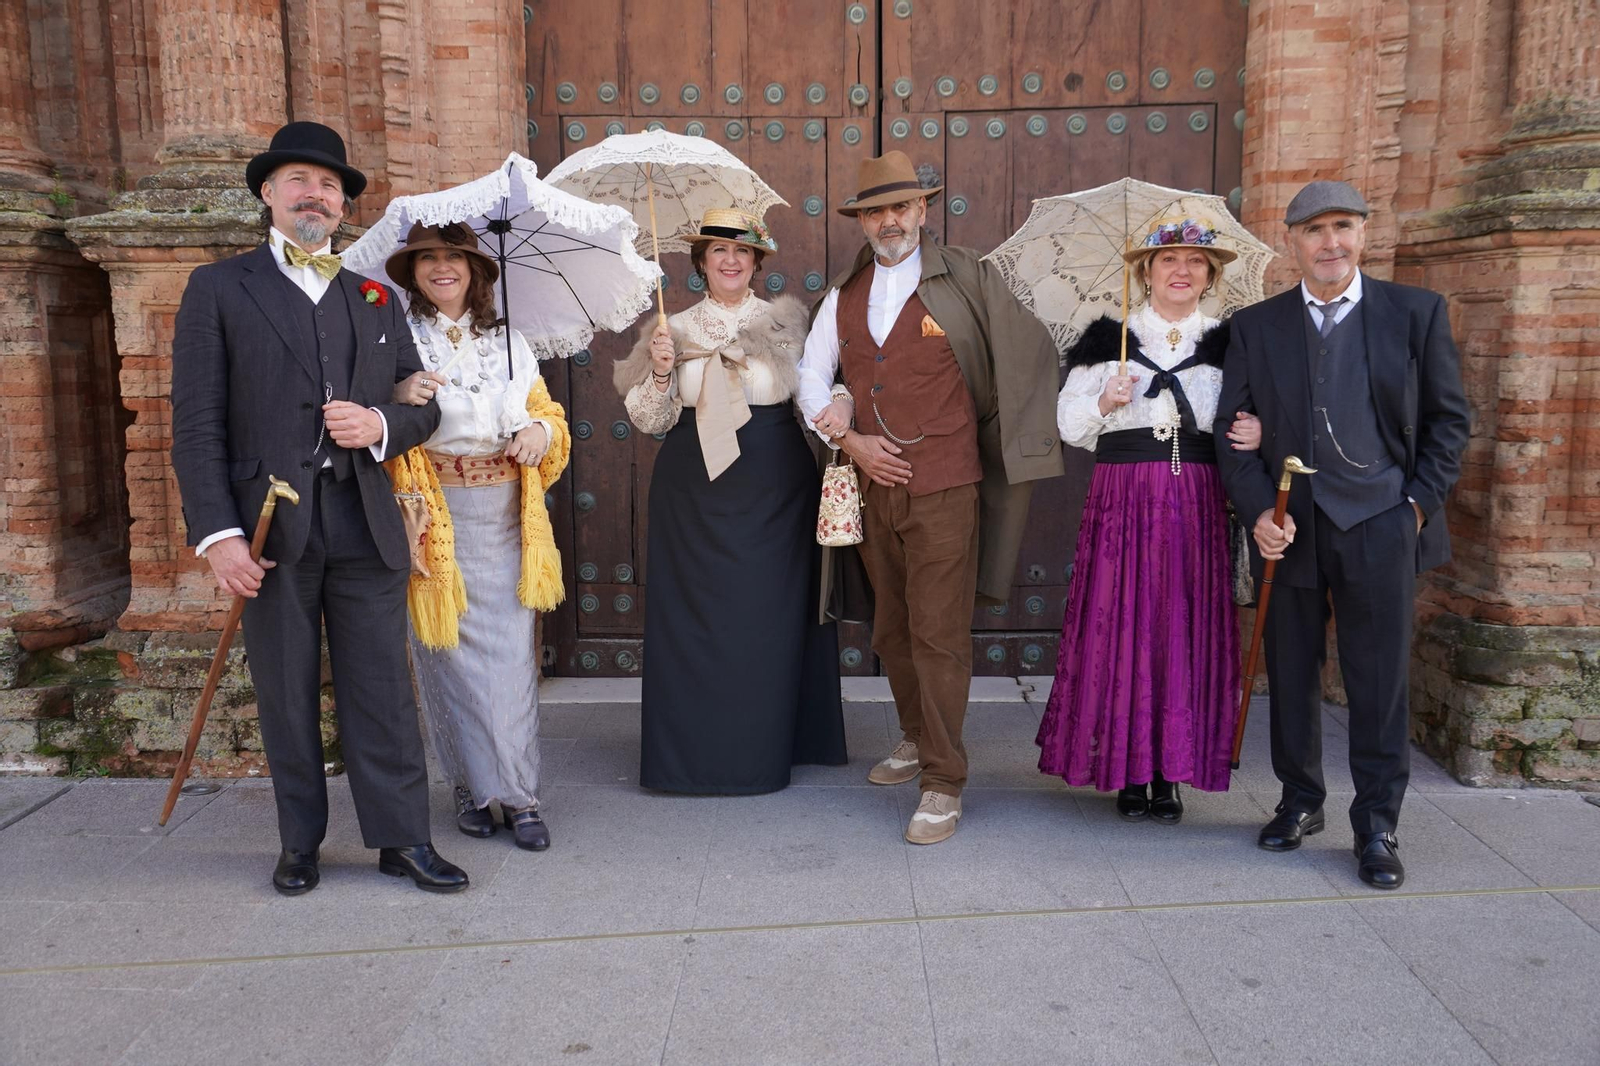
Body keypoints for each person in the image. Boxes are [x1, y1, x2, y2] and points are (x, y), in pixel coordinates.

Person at [170, 121, 468, 895]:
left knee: (384, 693)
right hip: (271, 532)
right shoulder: (219, 287)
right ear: (268, 193)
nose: (318, 194)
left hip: (364, 522)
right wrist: (220, 538)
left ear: (343, 207)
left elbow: (421, 409)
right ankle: (299, 843)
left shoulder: (373, 296)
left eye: (331, 186)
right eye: (301, 180)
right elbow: (197, 424)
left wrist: (380, 427)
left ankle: (403, 840)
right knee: (286, 691)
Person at [797, 151, 1064, 845]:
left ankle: (943, 781)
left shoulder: (968, 278)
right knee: (892, 629)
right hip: (870, 487)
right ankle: (916, 737)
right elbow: (810, 377)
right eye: (875, 211)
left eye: (901, 207)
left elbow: (1025, 353)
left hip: (946, 485)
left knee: (939, 635)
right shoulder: (843, 295)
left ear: (922, 211)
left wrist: (990, 432)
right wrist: (849, 439)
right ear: (862, 221)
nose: (889, 221)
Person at [1215, 180, 1469, 889]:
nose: (1331, 242)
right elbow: (1232, 435)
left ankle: (1378, 823)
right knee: (1290, 672)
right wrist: (1260, 512)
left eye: (1344, 227)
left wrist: (1415, 507)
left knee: (1378, 680)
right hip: (1292, 528)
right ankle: (1300, 801)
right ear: (1292, 240)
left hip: (1380, 523)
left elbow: (1449, 422)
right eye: (1315, 229)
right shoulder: (1256, 326)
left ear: (1363, 234)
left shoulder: (1414, 313)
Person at [1036, 218, 1262, 822]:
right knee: (1124, 624)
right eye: (1167, 261)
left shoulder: (1232, 340)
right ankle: (1128, 771)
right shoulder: (1108, 339)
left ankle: (1171, 773)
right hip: (1124, 499)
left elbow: (1257, 413)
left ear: (1211, 275)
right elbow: (1069, 426)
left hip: (1197, 498)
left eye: (1195, 261)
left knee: (1181, 627)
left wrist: (1257, 430)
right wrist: (1103, 400)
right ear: (1145, 273)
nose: (1181, 271)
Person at [614, 208, 846, 794]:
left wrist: (841, 406)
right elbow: (649, 419)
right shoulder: (671, 329)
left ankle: (769, 745)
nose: (731, 259)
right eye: (718, 250)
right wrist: (663, 373)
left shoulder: (789, 323)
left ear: (757, 260)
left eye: (742, 250)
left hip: (775, 488)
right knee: (700, 619)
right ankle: (693, 752)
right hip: (693, 492)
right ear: (701, 262)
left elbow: (821, 388)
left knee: (765, 615)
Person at [384, 222, 571, 851]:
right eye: (428, 260)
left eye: (454, 259)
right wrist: (400, 393)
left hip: (503, 509)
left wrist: (540, 435)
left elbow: (547, 413)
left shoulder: (510, 341)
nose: (442, 269)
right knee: (447, 656)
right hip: (433, 511)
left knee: (510, 657)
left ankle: (519, 795)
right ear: (412, 272)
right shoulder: (396, 339)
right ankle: (469, 786)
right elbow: (372, 417)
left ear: (476, 271)